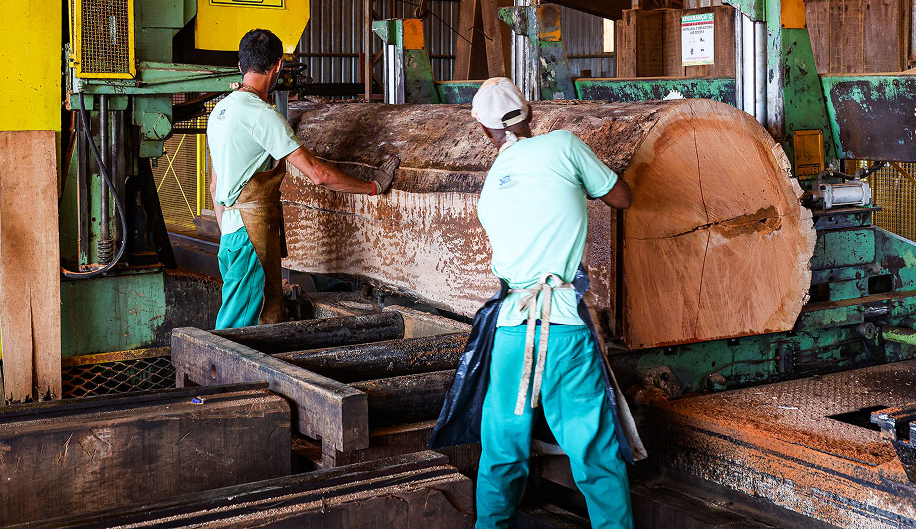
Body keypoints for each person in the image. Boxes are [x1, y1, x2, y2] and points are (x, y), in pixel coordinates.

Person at [430, 77, 642, 529]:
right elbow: (622, 197)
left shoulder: (489, 188)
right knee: (593, 449)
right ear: (529, 113)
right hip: (564, 327)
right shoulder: (563, 145)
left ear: (484, 131)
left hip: (510, 329)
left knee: (503, 447)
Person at [206, 28, 398, 329]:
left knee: (259, 319)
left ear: (242, 66)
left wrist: (229, 234)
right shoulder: (261, 115)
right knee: (235, 333)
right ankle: (215, 375)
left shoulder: (220, 111)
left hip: (230, 235)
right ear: (278, 66)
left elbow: (215, 186)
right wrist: (372, 186)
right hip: (249, 236)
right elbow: (318, 175)